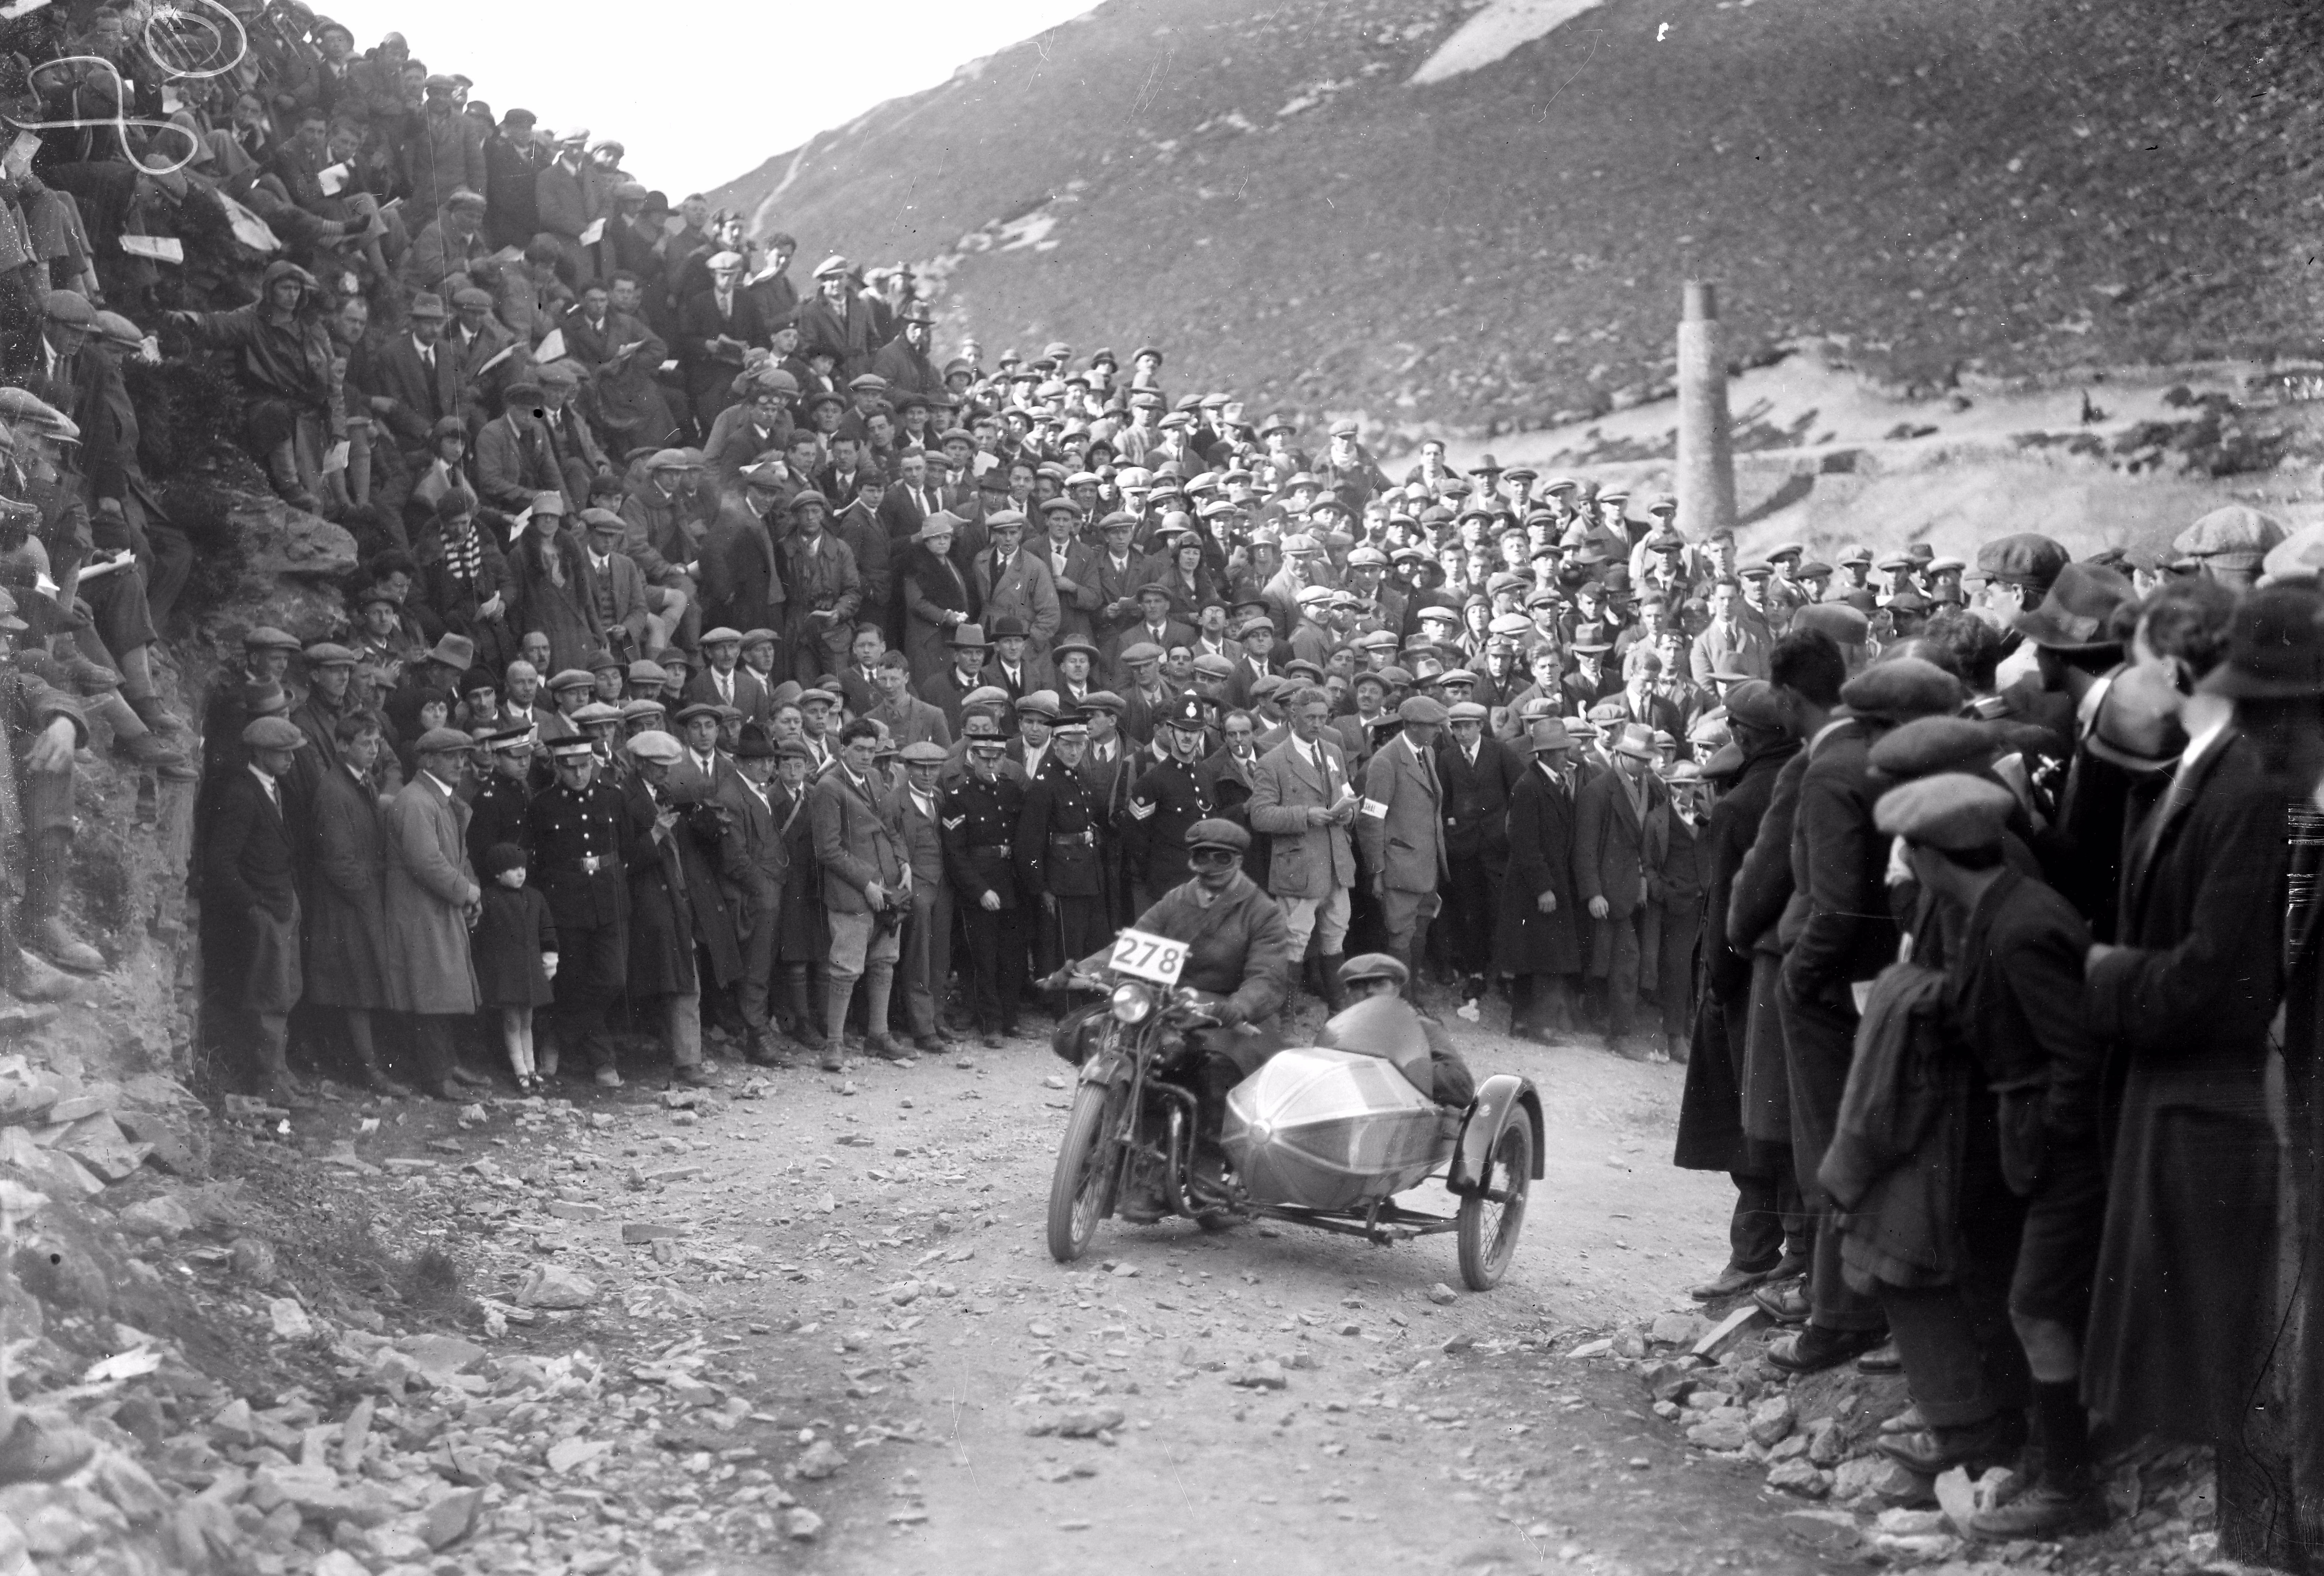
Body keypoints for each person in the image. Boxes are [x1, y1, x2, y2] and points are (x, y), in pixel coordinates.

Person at [1041, 819, 1290, 1218]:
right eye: (1200, 858)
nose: (1209, 869)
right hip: (1170, 1004)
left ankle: (1207, 1164)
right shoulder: (1177, 899)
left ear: (1239, 861)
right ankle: (1103, 1144)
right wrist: (1080, 972)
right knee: (1094, 1034)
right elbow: (1133, 945)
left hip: (1229, 1016)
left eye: (1220, 859)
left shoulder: (1262, 912)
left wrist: (1239, 1007)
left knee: (1215, 1068)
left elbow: (1269, 977)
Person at [199, 716, 311, 1103]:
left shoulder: (274, 788)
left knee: (287, 991)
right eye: (284, 754)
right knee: (269, 997)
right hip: (266, 909)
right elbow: (221, 861)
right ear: (261, 752)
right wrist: (252, 908)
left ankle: (280, 1069)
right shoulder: (242, 793)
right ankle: (269, 1081)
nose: (291, 761)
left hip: (283, 904)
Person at [302, 710, 409, 1097]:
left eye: (377, 743)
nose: (374, 750)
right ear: (343, 746)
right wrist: (368, 898)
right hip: (346, 904)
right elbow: (339, 861)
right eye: (365, 743)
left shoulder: (361, 782)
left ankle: (364, 1065)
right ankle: (367, 1071)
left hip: (362, 898)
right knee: (355, 988)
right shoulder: (334, 790)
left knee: (362, 984)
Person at [380, 726, 489, 1099]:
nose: (462, 762)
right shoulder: (415, 802)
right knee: (429, 995)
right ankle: (436, 1077)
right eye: (451, 756)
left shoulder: (439, 800)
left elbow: (457, 859)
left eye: (463, 755)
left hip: (437, 910)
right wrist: (468, 892)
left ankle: (447, 1065)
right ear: (427, 761)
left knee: (442, 992)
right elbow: (426, 862)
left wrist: (468, 896)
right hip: (419, 913)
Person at [526, 733, 633, 1085]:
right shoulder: (542, 805)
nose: (580, 774)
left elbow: (627, 846)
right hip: (566, 901)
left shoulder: (612, 798)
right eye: (571, 768)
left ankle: (559, 1031)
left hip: (609, 896)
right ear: (558, 768)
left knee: (613, 978)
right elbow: (537, 859)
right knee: (573, 980)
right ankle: (603, 1060)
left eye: (586, 765)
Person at [1246, 682, 1358, 1016]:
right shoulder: (1273, 761)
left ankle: (1338, 1015)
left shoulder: (1333, 751)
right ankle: (1287, 1017)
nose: (1317, 724)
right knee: (1294, 941)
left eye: (1323, 717)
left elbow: (1346, 791)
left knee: (1336, 933)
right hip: (1299, 865)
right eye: (1310, 717)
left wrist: (1349, 811)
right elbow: (1260, 815)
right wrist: (1305, 815)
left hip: (1336, 862)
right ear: (1293, 715)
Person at [812, 717, 911, 1066]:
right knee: (846, 967)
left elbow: (891, 827)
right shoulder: (829, 787)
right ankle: (834, 1044)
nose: (867, 757)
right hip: (852, 894)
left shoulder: (874, 778)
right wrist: (866, 883)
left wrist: (903, 864)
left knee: (884, 961)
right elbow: (828, 850)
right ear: (843, 750)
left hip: (887, 887)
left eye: (872, 750)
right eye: (859, 750)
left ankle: (878, 1035)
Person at [1496, 717, 1585, 1040]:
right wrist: (1543, 888)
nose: (1567, 756)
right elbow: (1525, 845)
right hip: (1535, 887)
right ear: (1545, 755)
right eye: (1561, 751)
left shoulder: (1551, 783)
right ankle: (1539, 1025)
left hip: (1544, 884)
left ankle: (1523, 1022)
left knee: (1533, 957)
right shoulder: (1529, 787)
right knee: (1544, 958)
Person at [1357, 696, 1450, 1000]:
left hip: (1426, 865)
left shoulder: (1428, 752)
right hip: (1399, 866)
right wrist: (1377, 872)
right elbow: (1371, 821)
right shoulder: (1386, 761)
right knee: (1401, 934)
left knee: (1420, 929)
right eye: (1432, 726)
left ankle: (1410, 995)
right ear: (1411, 726)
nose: (1439, 730)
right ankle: (1400, 1002)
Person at [716, 722, 790, 1067]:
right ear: (740, 761)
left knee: (762, 966)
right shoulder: (731, 797)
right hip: (755, 900)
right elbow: (735, 859)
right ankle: (756, 1039)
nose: (766, 767)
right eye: (757, 760)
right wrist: (767, 893)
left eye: (769, 760)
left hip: (769, 893)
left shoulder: (756, 790)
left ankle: (758, 1031)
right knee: (755, 969)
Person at [1333, 952, 1476, 1108]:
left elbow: (1462, 1087)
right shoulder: (1338, 1033)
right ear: (1347, 993)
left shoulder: (1420, 1027)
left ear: (1396, 990)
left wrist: (1399, 1066)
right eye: (1359, 986)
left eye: (1380, 984)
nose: (1370, 991)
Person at [886, 740, 954, 1055]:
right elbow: (893, 847)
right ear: (908, 769)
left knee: (940, 953)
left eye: (934, 768)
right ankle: (922, 1027)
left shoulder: (938, 797)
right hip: (916, 885)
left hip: (942, 883)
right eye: (921, 768)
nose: (928, 775)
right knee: (919, 955)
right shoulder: (894, 803)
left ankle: (937, 1016)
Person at [473, 842, 557, 1095]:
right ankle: (520, 1071)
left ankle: (531, 1070)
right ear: (498, 873)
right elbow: (479, 936)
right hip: (505, 975)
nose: (521, 873)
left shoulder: (535, 897)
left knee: (527, 1022)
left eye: (523, 868)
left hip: (531, 972)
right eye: (513, 869)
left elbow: (547, 930)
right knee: (512, 1022)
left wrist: (550, 960)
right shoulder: (488, 898)